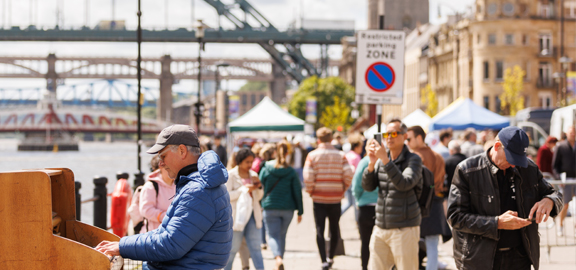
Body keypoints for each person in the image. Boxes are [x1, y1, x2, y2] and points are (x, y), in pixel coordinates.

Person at [95, 124, 233, 270]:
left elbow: (171, 244)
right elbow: (166, 234)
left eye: (163, 156)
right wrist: (124, 244)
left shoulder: (198, 190)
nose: (160, 163)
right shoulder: (202, 183)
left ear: (182, 151)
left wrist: (122, 247)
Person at [447, 126, 563, 270]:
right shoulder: (467, 170)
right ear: (496, 146)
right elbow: (455, 217)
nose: (514, 164)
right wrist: (497, 223)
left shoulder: (528, 168)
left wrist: (549, 200)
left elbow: (555, 193)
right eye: (511, 158)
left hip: (520, 258)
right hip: (479, 260)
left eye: (518, 159)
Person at [362, 119, 422, 270]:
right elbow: (368, 187)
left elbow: (404, 184)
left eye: (394, 133)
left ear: (404, 136)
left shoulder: (413, 159)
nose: (389, 137)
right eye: (387, 134)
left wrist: (385, 161)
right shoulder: (382, 159)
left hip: (404, 228)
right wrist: (371, 163)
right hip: (381, 227)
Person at [304, 127, 353, 270]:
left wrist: (311, 191)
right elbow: (349, 174)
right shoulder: (340, 155)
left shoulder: (312, 156)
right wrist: (343, 188)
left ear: (318, 140)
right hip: (335, 198)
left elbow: (307, 177)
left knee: (320, 229)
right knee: (334, 228)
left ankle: (323, 260)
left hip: (318, 198)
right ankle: (331, 257)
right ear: (331, 139)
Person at [406, 126, 449, 270]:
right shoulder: (438, 156)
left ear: (419, 138)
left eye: (409, 139)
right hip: (435, 203)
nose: (407, 142)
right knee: (432, 246)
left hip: (419, 205)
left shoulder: (413, 157)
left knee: (410, 244)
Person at [259, 140, 304, 270]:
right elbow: (297, 191)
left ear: (274, 152)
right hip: (287, 208)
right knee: (282, 235)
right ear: (287, 153)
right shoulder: (290, 171)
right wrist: (300, 211)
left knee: (272, 235)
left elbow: (259, 185)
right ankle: (279, 261)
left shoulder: (267, 168)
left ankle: (277, 258)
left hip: (270, 206)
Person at [225, 148, 265, 270]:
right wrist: (244, 189)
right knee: (232, 249)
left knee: (255, 248)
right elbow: (226, 196)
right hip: (237, 217)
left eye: (251, 162)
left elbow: (258, 197)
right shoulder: (231, 175)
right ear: (240, 161)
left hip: (252, 215)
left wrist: (258, 187)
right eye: (247, 162)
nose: (250, 165)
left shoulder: (253, 175)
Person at [351, 150, 378, 270]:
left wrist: (358, 199)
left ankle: (365, 267)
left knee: (365, 242)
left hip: (365, 206)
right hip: (381, 207)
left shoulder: (364, 162)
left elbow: (357, 185)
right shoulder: (386, 161)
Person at [139, 155, 176, 233]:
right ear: (161, 166)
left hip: (173, 234)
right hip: (153, 235)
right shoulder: (151, 186)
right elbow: (146, 210)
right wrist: (164, 216)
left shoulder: (179, 185)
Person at [552, 126, 576, 236]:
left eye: (574, 132)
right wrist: (558, 178)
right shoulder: (561, 146)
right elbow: (555, 166)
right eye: (571, 132)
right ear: (567, 133)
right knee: (565, 205)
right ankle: (560, 225)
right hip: (566, 180)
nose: (573, 134)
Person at [342, 133, 364, 219]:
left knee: (350, 202)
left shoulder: (347, 155)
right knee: (354, 203)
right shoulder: (356, 157)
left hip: (347, 181)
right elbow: (358, 172)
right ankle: (357, 220)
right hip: (354, 182)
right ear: (356, 147)